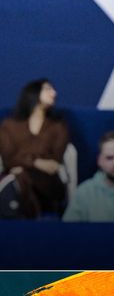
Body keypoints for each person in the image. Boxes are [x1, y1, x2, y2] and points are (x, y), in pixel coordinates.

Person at [0, 79, 68, 218]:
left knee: (17, 177)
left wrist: (22, 161)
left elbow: (53, 164)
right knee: (18, 178)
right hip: (14, 179)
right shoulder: (9, 126)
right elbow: (8, 159)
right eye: (48, 89)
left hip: (47, 184)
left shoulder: (58, 127)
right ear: (33, 93)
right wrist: (36, 162)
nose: (54, 93)